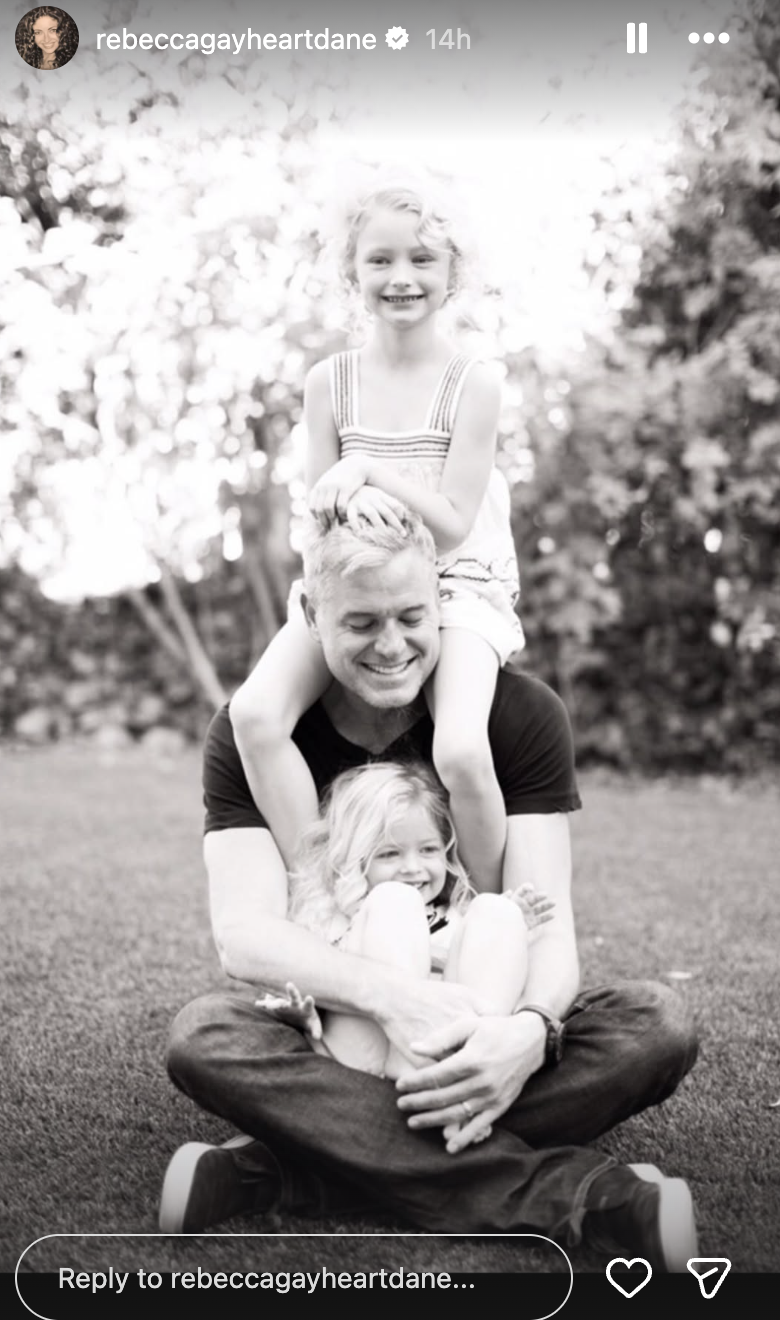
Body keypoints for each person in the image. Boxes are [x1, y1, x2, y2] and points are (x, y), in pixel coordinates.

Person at [161, 509, 700, 1273]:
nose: (392, 646)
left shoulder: (521, 716)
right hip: (344, 1034)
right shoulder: (249, 737)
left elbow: (547, 931)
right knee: (207, 1035)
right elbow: (244, 938)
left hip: (485, 1011)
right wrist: (392, 998)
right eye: (362, 623)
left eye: (412, 617)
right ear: (312, 615)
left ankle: (296, 1166)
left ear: (442, 604)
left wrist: (528, 1033)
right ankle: (577, 1199)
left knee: (658, 1023)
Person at [229, 180, 526, 895]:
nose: (401, 278)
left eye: (422, 260)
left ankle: (485, 913)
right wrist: (344, 516)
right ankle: (327, 898)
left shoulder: (472, 383)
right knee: (255, 715)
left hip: (456, 586)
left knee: (458, 749)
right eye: (379, 261)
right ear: (351, 273)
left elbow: (453, 523)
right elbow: (318, 516)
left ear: (453, 273)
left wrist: (367, 470)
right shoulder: (330, 383)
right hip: (356, 585)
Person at [258, 760, 554, 1150]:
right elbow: (309, 980)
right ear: (353, 857)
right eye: (390, 854)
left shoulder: (453, 916)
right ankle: (433, 1077)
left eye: (428, 849)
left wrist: (515, 925)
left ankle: (468, 1073)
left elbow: (488, 975)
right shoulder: (334, 916)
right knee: (394, 900)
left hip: (452, 1051)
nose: (413, 868)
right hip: (367, 1058)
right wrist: (301, 1012)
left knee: (498, 911)